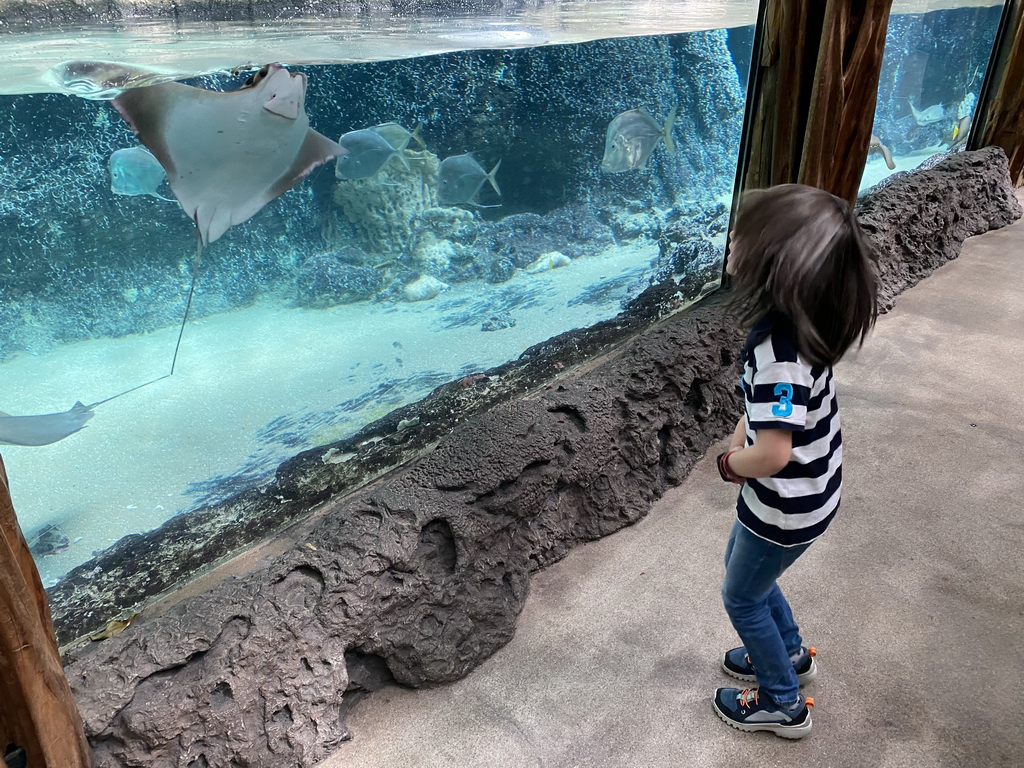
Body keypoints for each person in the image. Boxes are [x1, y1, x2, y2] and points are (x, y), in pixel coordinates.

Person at [711, 184, 879, 739]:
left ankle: (783, 702)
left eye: (746, 235)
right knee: (751, 575)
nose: (734, 239)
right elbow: (775, 419)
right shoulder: (806, 330)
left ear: (778, 266)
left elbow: (775, 452)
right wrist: (745, 432)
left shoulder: (778, 353)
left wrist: (733, 464)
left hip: (787, 504)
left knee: (741, 594)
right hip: (809, 496)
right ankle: (788, 654)